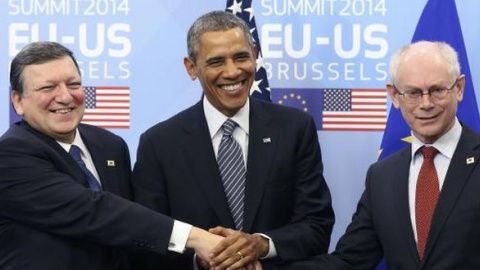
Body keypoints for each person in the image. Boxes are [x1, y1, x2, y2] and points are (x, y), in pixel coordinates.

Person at [131, 10, 334, 270]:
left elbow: (317, 227)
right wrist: (203, 258)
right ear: (191, 67)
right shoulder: (159, 144)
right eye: (216, 62)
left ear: (255, 54)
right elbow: (148, 239)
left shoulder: (295, 129)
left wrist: (261, 244)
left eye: (241, 57)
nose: (232, 72)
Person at [0, 41, 225, 270]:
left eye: (73, 84)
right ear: (18, 101)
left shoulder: (109, 145)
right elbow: (95, 211)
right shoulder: (8, 156)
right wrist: (197, 238)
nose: (65, 96)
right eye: (48, 88)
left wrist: (200, 258)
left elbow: (133, 230)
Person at [285, 40, 480, 269]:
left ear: (458, 88)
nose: (426, 104)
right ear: (395, 96)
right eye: (413, 93)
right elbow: (349, 260)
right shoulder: (382, 176)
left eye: (437, 90)